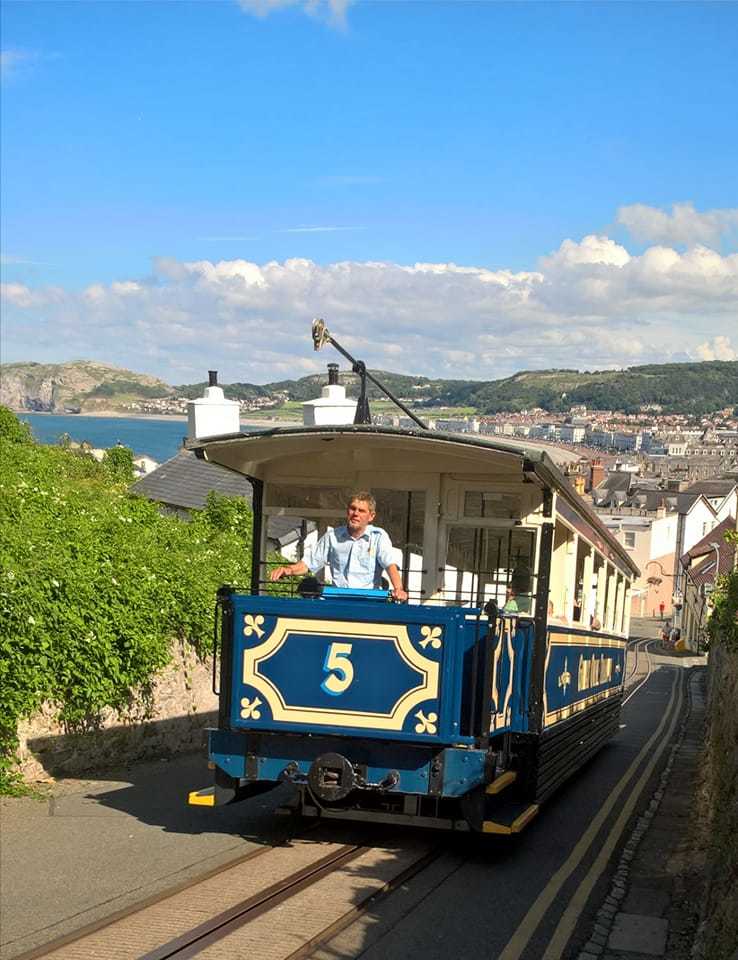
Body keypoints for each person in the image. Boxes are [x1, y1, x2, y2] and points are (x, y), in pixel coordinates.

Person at [269, 492, 408, 602]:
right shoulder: (332, 536)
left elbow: (389, 564)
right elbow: (308, 563)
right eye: (353, 509)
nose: (356, 514)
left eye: (361, 511)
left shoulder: (378, 537)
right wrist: (287, 570)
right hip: (337, 602)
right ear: (347, 511)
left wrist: (398, 589)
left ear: (371, 516)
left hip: (368, 602)